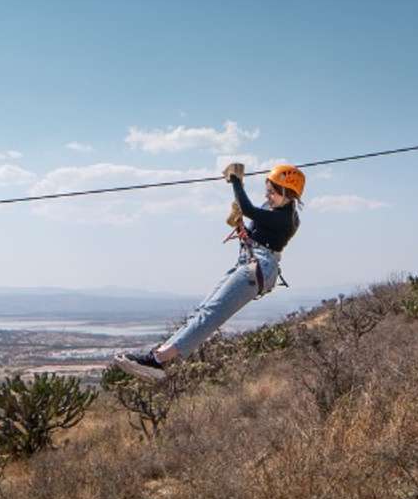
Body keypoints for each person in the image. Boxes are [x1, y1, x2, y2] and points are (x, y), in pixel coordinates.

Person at [113, 162, 304, 382]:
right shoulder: (274, 210)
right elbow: (256, 230)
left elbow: (251, 210)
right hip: (249, 262)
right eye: (267, 191)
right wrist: (240, 223)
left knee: (211, 313)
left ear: (287, 192)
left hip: (257, 267)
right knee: (203, 310)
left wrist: (235, 181)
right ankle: (158, 359)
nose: (268, 196)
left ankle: (159, 359)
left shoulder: (286, 219)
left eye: (272, 192)